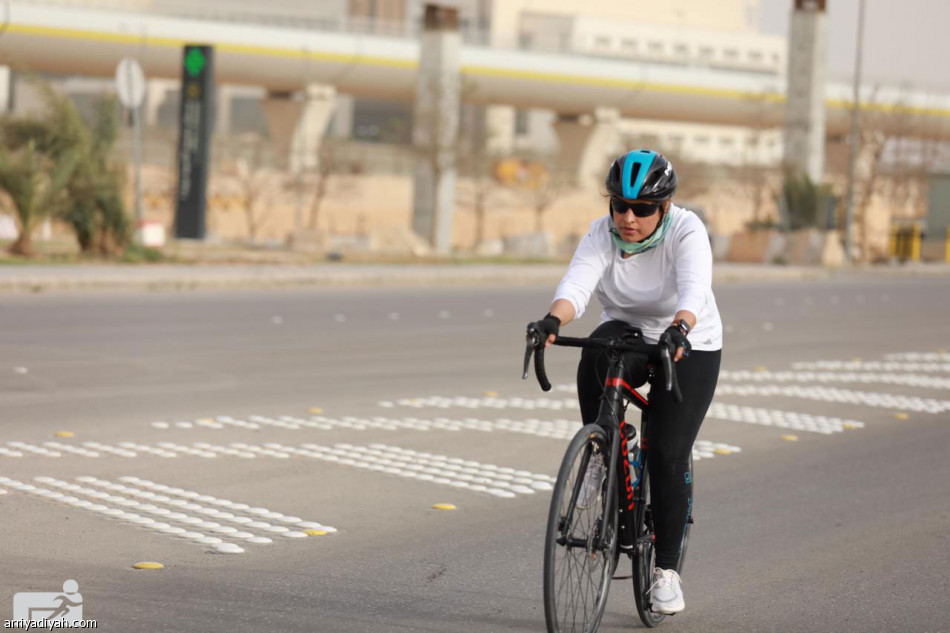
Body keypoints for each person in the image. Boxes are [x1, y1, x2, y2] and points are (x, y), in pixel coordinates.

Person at [530, 149, 722, 615]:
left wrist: (681, 326)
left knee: (667, 453)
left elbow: (695, 287)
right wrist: (553, 320)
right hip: (628, 330)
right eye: (620, 205)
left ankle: (666, 573)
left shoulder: (686, 231)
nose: (628, 218)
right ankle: (602, 451)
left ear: (665, 207)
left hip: (688, 338)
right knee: (597, 351)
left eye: (642, 208)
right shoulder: (601, 233)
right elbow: (577, 285)